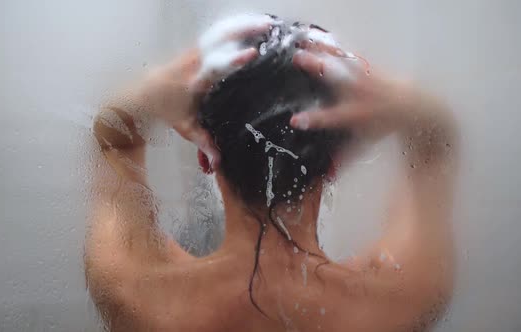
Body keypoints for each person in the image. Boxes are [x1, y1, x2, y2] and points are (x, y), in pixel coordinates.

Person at [85, 14, 459, 332]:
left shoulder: (144, 298)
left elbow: (114, 142)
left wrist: (152, 91)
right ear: (333, 166)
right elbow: (434, 149)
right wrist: (407, 102)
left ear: (205, 159)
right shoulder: (389, 306)